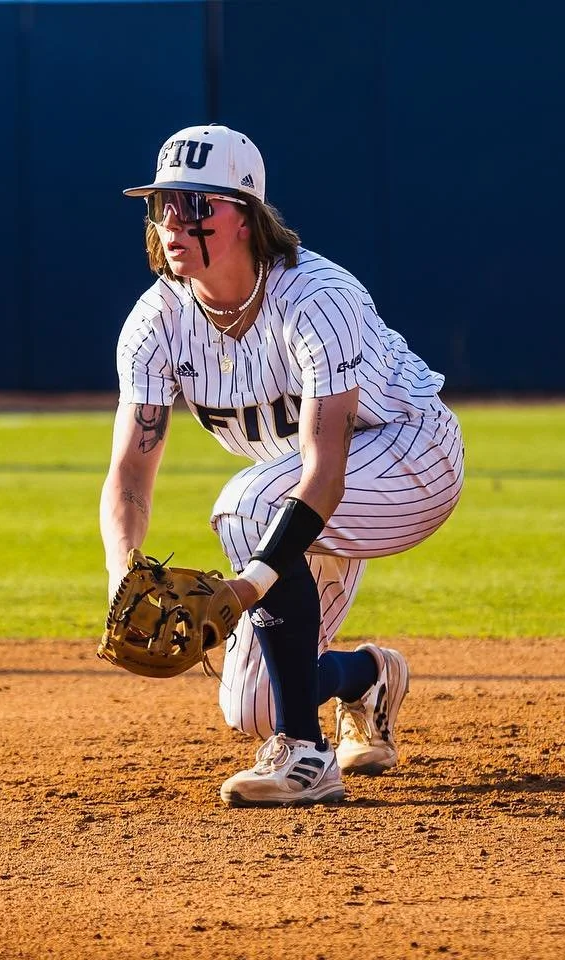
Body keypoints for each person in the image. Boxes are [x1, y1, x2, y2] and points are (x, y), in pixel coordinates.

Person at [99, 124, 465, 807]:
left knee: (246, 505)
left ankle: (306, 756)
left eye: (195, 204)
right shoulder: (157, 321)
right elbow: (129, 475)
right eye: (162, 204)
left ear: (245, 216)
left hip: (412, 458)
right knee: (252, 706)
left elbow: (325, 473)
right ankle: (366, 678)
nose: (173, 221)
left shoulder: (315, 297)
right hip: (298, 497)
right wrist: (124, 575)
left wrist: (247, 587)